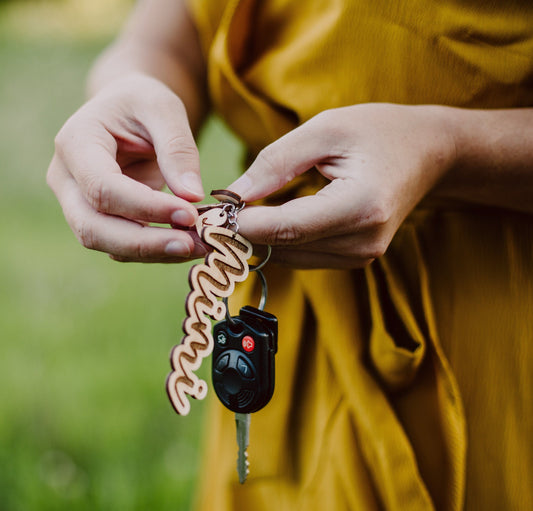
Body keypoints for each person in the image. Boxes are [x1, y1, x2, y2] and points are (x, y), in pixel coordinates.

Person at [47, 0, 533, 509]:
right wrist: (125, 85)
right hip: (280, 319)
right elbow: (173, 31)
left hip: (488, 342)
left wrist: (448, 152)